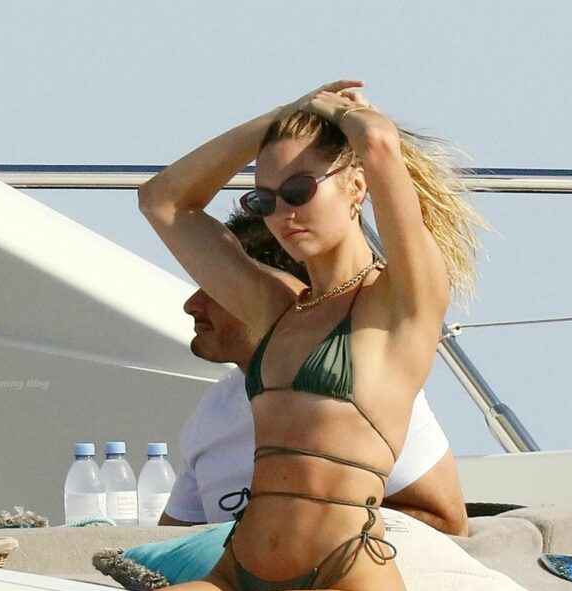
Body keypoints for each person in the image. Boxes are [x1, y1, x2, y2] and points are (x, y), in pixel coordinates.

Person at [138, 80, 481, 591]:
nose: (283, 214)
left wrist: (334, 113)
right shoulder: (275, 311)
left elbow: (379, 143)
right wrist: (278, 116)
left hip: (347, 589)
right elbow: (163, 201)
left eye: (299, 190)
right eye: (264, 200)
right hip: (235, 576)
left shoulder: (400, 304)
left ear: (355, 187)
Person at [159, 210, 468, 536]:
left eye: (214, 288)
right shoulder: (213, 409)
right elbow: (168, 540)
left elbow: (446, 523)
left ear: (276, 287)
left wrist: (292, 537)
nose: (192, 305)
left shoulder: (369, 385)